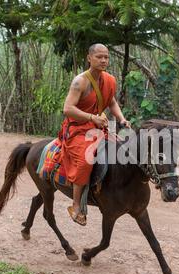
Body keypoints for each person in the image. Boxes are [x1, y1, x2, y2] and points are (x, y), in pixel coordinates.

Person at [56, 43, 130, 226]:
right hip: (77, 129)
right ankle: (76, 206)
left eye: (106, 57)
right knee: (85, 158)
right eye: (99, 57)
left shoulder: (110, 80)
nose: (103, 60)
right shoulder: (79, 81)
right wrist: (91, 117)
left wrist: (121, 119)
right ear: (89, 58)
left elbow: (111, 102)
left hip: (99, 126)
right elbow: (67, 109)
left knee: (121, 147)